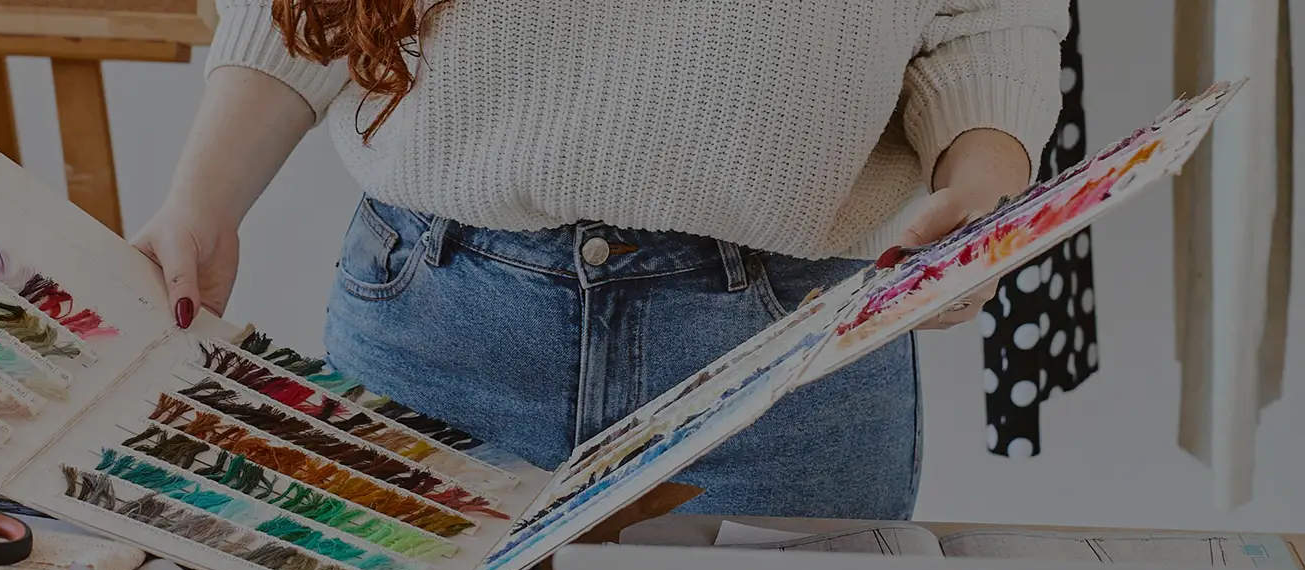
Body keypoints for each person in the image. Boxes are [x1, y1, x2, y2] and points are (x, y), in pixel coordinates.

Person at [132, 0, 1068, 519]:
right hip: (435, 330)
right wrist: (200, 205)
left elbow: (990, 16)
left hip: (784, 358)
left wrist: (982, 191)